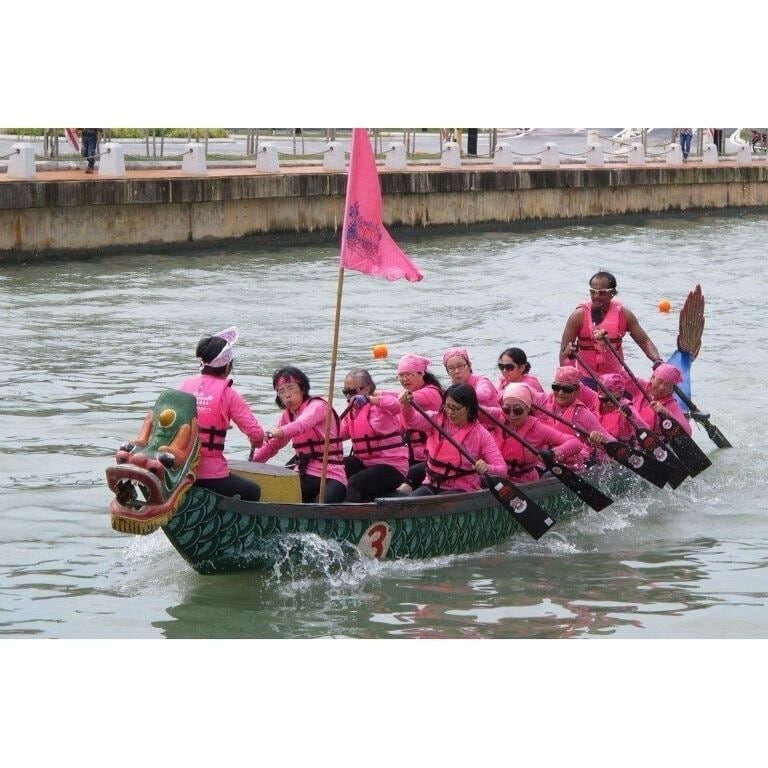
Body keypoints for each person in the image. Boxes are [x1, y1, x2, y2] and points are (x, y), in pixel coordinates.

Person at [177, 326, 264, 501]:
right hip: (211, 476)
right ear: (227, 366)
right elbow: (256, 434)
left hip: (180, 471)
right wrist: (257, 441)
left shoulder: (183, 387)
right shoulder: (228, 394)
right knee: (253, 491)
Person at [251, 366, 347, 503]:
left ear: (302, 388)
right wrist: (249, 465)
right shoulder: (287, 416)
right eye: (281, 392)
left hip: (331, 475)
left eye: (290, 388)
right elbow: (272, 447)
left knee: (319, 507)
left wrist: (274, 432)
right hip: (303, 474)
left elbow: (301, 424)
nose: (287, 395)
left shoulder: (318, 406)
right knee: (275, 497)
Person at [399, 383, 506, 496]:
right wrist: (407, 406)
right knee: (409, 503)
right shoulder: (435, 420)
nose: (450, 412)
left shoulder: (481, 435)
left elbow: (502, 470)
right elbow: (412, 421)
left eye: (456, 408)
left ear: (469, 408)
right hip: (431, 484)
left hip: (461, 489)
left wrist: (486, 467)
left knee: (440, 504)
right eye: (447, 406)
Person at [559, 270, 663, 384]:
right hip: (586, 377)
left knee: (645, 391)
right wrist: (568, 382)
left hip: (615, 377)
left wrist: (657, 360)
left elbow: (644, 341)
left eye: (602, 293)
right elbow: (564, 352)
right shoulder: (578, 316)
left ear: (612, 293)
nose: (596, 296)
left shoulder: (625, 315)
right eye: (592, 292)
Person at [338, 368, 409, 502]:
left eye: (352, 392)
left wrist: (369, 399)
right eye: (345, 392)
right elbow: (341, 433)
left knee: (355, 482)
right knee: (336, 468)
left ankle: (349, 517)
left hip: (392, 466)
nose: (348, 397)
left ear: (367, 388)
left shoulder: (381, 405)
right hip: (365, 463)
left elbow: (396, 405)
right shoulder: (351, 411)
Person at [497, 383, 582, 482]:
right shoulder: (496, 418)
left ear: (528, 408)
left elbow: (575, 443)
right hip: (499, 479)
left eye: (517, 410)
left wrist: (553, 454)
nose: (511, 414)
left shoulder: (538, 429)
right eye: (506, 409)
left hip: (525, 482)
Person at [534, 366, 612, 468]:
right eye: (556, 387)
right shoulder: (541, 401)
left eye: (567, 389)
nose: (561, 393)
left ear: (577, 389)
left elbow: (611, 441)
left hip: (571, 465)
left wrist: (599, 438)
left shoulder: (584, 414)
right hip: (542, 460)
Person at [395, 354, 444, 490]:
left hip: (431, 457)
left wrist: (375, 395)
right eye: (401, 375)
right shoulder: (405, 399)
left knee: (410, 474)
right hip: (411, 455)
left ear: (421, 373)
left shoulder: (431, 393)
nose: (404, 379)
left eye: (408, 374)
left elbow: (405, 398)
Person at [442, 346, 503, 431]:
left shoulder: (482, 382)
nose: (456, 371)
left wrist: (459, 398)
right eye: (451, 368)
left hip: (493, 429)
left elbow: (485, 393)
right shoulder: (450, 388)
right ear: (447, 371)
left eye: (460, 366)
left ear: (469, 365)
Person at [631, 362, 692, 437]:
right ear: (652, 378)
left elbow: (688, 432)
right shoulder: (640, 386)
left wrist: (666, 412)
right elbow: (619, 374)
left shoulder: (671, 405)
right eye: (659, 381)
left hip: (648, 440)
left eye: (667, 385)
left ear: (672, 388)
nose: (661, 387)